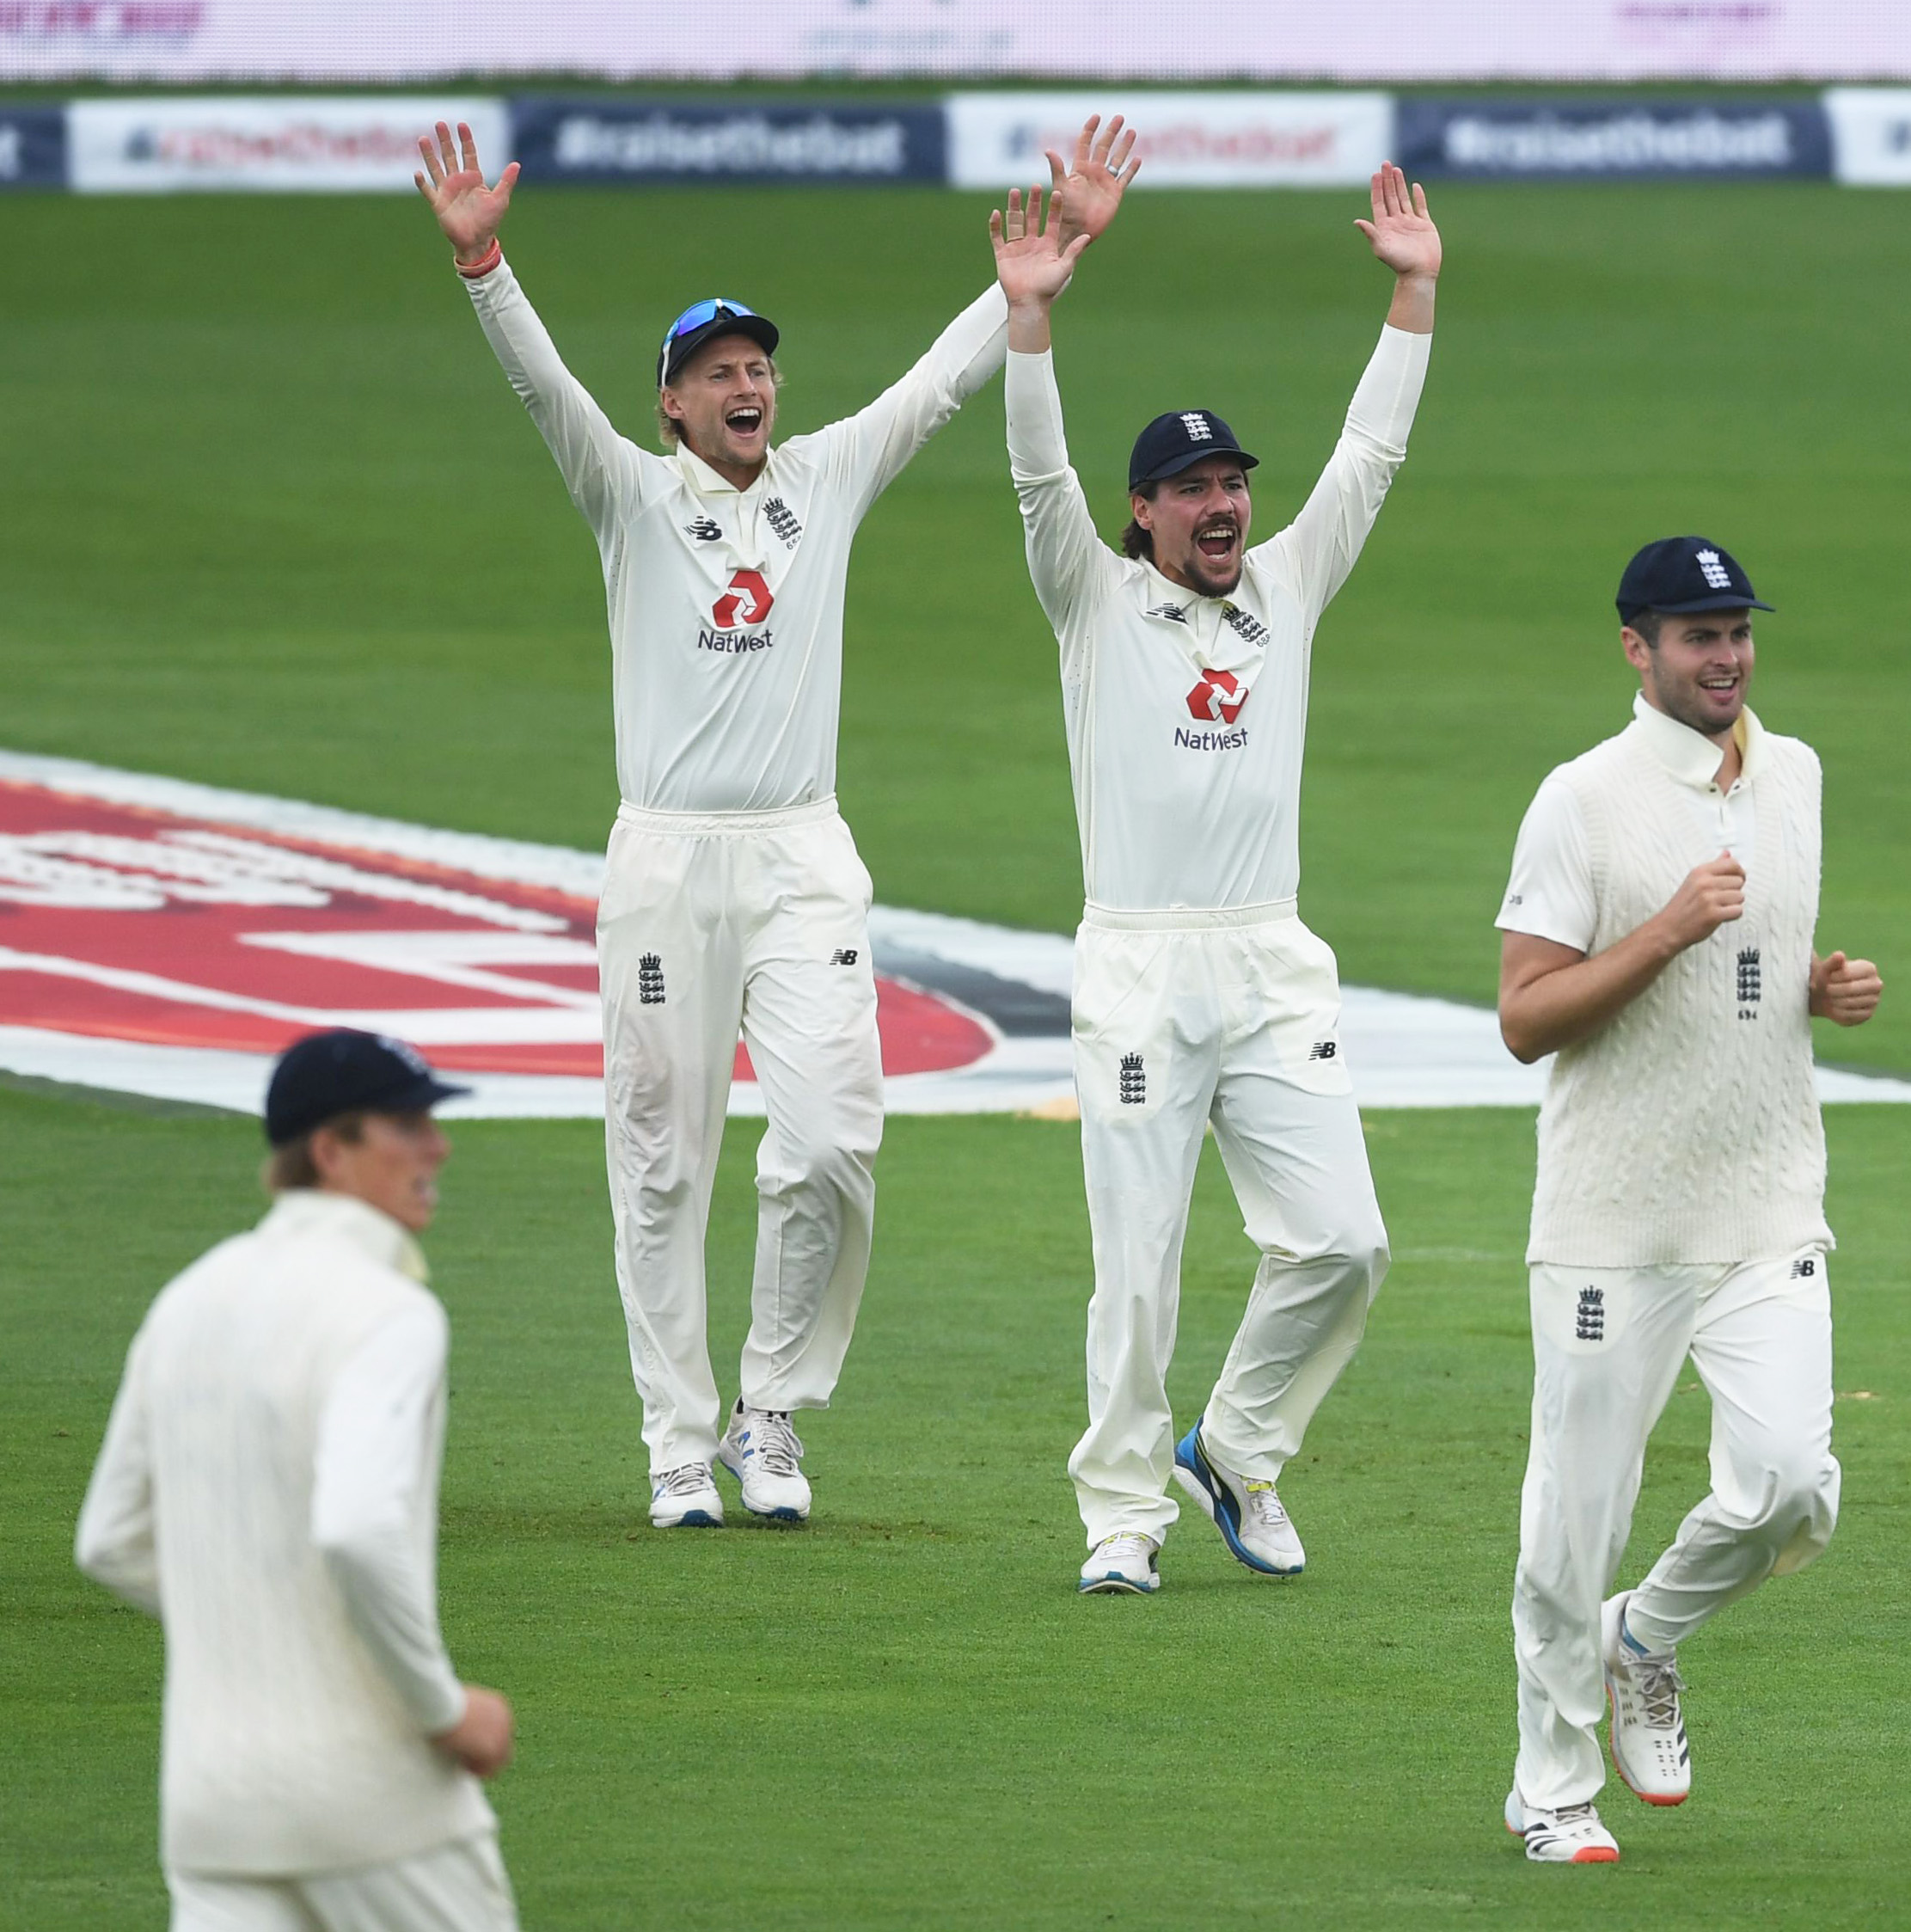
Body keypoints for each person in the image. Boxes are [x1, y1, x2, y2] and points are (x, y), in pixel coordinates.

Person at [413, 120, 1020, 1527]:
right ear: (673, 404)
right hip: (666, 860)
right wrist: (482, 263)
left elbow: (935, 390)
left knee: (830, 1140)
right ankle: (676, 1442)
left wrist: (1027, 295)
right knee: (661, 1158)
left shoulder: (822, 480)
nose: (746, 383)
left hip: (803, 851)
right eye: (715, 372)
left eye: (757, 366)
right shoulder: (631, 495)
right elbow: (545, 389)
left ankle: (770, 1412)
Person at [993, 130, 1442, 1596]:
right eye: (1190, 487)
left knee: (1346, 1244)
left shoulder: (1286, 592)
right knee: (1138, 1267)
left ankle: (1237, 1446)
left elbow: (1368, 462)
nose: (1222, 503)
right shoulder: (1091, 599)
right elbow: (1034, 466)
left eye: (1233, 481)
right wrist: (1032, 316)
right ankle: (1120, 1517)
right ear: (1143, 514)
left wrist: (1410, 299)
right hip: (1135, 959)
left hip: (1266, 955)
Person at [1491, 537, 1885, 1863]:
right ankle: (1551, 1792)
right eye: (1695, 634)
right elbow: (1525, 1018)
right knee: (1571, 1519)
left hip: (1769, 1200)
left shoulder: (1800, 775)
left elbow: (1756, 969)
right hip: (1614, 1221)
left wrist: (1815, 984)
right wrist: (1661, 929)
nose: (1724, 656)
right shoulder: (1580, 801)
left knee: (1788, 1484)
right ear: (1635, 648)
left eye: (1737, 631)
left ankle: (1644, 1633)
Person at [77, 1029, 520, 1930]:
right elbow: (356, 1527)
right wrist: (441, 1710)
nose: (436, 1146)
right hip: (372, 1804)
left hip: (212, 1812)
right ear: (332, 1149)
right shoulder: (389, 1313)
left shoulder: (187, 1299)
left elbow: (110, 1543)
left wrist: (263, 1613)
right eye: (406, 1125)